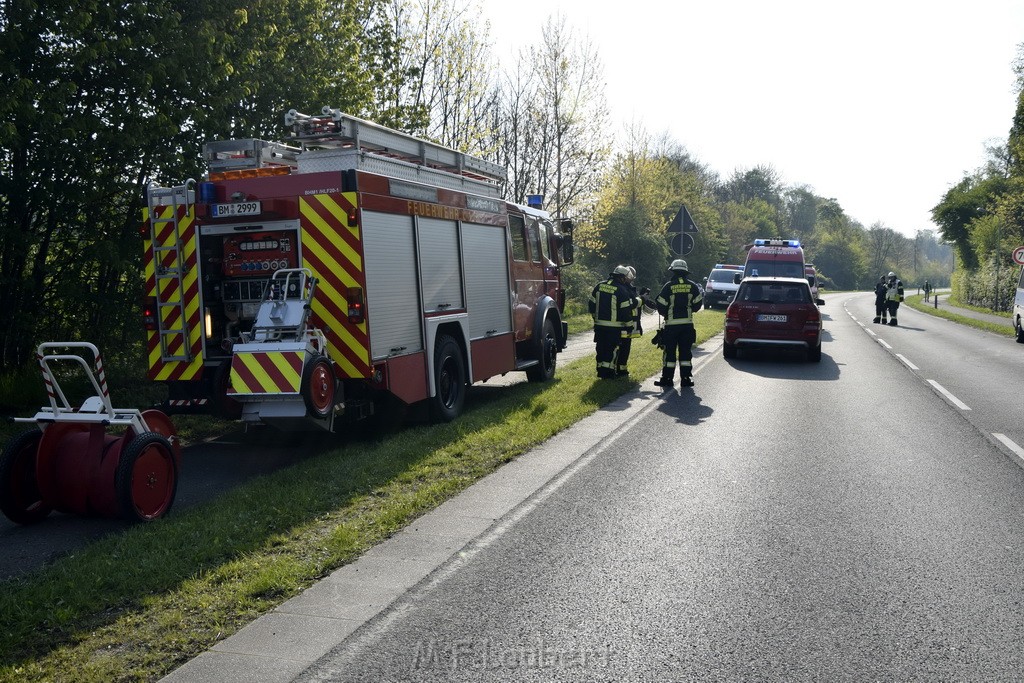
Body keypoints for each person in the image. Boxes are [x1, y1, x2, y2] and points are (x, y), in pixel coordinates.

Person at [654, 259, 704, 388]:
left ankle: (667, 379)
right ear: (686, 272)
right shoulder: (692, 286)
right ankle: (686, 379)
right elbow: (698, 304)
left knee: (669, 353)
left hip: (671, 326)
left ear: (673, 271)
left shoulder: (668, 286)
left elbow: (661, 304)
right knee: (685, 353)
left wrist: (666, 314)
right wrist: (689, 310)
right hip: (687, 326)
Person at [589, 265, 639, 379]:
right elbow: (625, 310)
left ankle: (600, 371)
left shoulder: (599, 286)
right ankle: (609, 373)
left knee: (600, 348)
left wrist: (595, 317)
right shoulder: (621, 290)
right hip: (614, 327)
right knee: (611, 350)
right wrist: (629, 325)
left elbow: (591, 303)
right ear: (622, 277)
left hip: (599, 325)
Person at [615, 267, 652, 378]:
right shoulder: (623, 288)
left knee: (623, 348)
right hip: (623, 324)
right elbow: (632, 303)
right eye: (630, 277)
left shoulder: (626, 287)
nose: (631, 279)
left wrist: (642, 297)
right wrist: (642, 298)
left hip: (626, 324)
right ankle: (620, 371)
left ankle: (621, 369)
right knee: (622, 348)